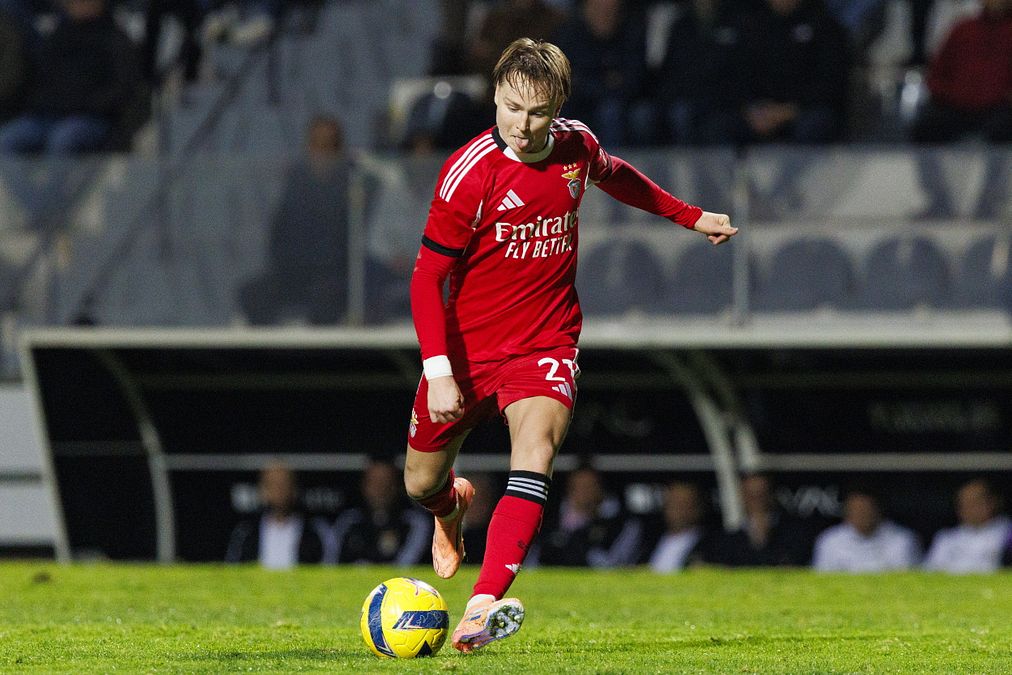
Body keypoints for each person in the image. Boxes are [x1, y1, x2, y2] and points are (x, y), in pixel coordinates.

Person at [401, 37, 736, 654]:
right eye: (509, 107)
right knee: (419, 483)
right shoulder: (467, 175)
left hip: (544, 342)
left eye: (536, 113)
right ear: (495, 97)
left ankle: (482, 605)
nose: (521, 126)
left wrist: (689, 217)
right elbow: (427, 277)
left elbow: (619, 177)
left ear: (557, 107)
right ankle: (452, 508)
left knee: (536, 451)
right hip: (466, 352)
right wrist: (439, 370)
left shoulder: (577, 146)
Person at [236, 115, 350, 325]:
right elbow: (278, 235)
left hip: (332, 277)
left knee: (326, 300)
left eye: (329, 145)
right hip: (292, 274)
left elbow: (352, 244)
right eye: (317, 144)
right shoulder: (293, 185)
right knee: (252, 294)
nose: (322, 152)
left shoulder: (353, 188)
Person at [0, 0, 145, 155]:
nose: (78, 5)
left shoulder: (115, 41)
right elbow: (40, 79)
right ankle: (24, 181)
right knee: (8, 139)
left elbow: (122, 89)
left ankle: (55, 180)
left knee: (63, 139)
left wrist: (87, 105)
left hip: (91, 117)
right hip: (48, 114)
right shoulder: (58, 38)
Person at [910, 0, 1012, 219]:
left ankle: (989, 201)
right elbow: (936, 73)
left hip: (998, 108)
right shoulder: (963, 28)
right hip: (957, 106)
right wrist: (949, 94)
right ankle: (939, 201)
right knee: (924, 127)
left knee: (1004, 129)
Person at [533, 466, 643, 567]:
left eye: (590, 486)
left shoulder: (619, 522)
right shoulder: (550, 518)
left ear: (600, 489)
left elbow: (613, 562)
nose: (585, 493)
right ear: (570, 490)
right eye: (579, 487)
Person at [225, 461, 329, 568]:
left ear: (294, 488)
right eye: (272, 484)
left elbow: (328, 568)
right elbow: (232, 570)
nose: (279, 490)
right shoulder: (247, 531)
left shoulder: (314, 530)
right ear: (263, 490)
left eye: (284, 484)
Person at [331, 459, 431, 565]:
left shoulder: (414, 522)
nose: (380, 489)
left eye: (386, 481)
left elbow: (407, 564)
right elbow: (331, 563)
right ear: (364, 485)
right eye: (374, 482)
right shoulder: (349, 521)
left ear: (396, 486)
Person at [708, 473, 813, 567]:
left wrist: (764, 541)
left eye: (761, 495)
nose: (756, 501)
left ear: (771, 495)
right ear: (741, 497)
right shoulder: (726, 537)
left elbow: (792, 564)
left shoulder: (794, 532)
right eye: (751, 495)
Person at [812, 487, 922, 572]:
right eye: (855, 510)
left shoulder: (902, 539)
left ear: (878, 511)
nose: (861, 515)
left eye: (865, 510)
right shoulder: (830, 540)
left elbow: (904, 578)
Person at [924, 478, 1011, 573]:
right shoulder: (946, 537)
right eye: (964, 503)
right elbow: (930, 571)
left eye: (975, 502)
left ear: (993, 502)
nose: (968, 508)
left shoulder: (1008, 534)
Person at [646, 480, 712, 573]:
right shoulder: (649, 539)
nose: (675, 509)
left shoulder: (710, 544)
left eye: (683, 503)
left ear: (698, 509)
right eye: (671, 502)